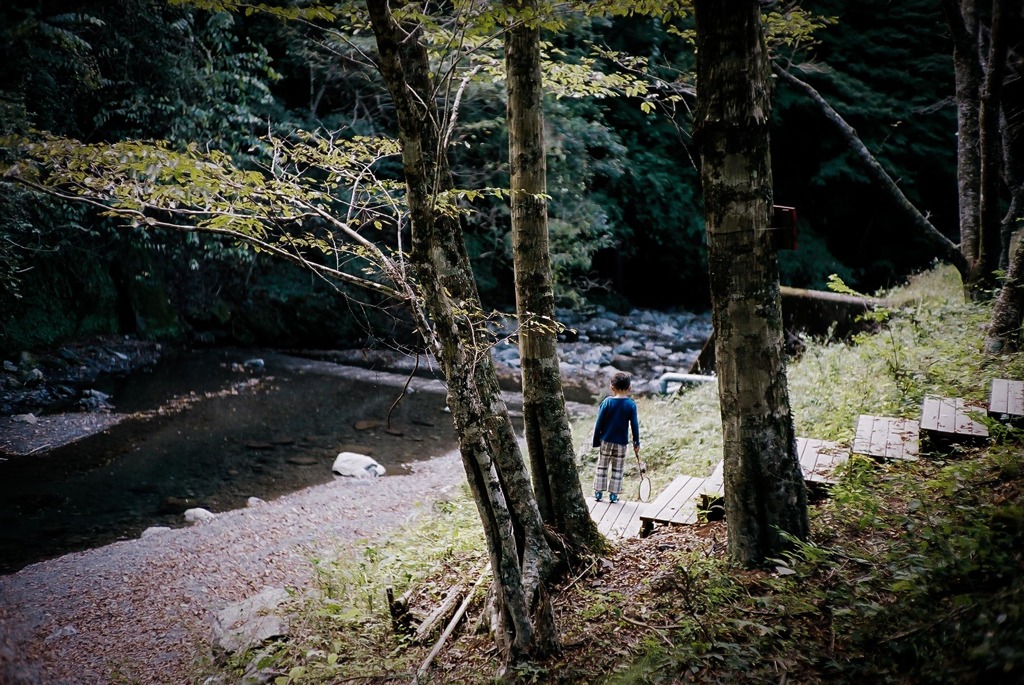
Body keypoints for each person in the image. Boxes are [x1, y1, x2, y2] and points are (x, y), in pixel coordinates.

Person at [592, 371, 640, 503]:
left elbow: (599, 423)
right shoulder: (630, 405)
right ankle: (613, 494)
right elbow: (634, 425)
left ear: (611, 387)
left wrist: (596, 440)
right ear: (629, 388)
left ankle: (598, 492)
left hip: (606, 440)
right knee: (618, 468)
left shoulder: (607, 402)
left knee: (602, 466)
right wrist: (636, 442)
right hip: (621, 443)